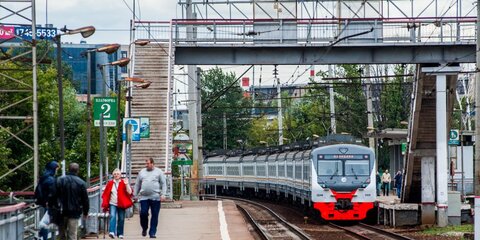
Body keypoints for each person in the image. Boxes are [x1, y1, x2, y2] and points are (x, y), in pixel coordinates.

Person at [54, 163, 89, 240]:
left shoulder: (59, 180)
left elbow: (54, 195)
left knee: (61, 234)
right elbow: (85, 200)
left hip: (61, 211)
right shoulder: (81, 183)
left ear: (68, 169)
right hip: (75, 212)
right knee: (72, 234)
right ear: (78, 171)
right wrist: (85, 212)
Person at [134, 157, 167, 239]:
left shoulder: (158, 172)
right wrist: (135, 195)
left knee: (155, 215)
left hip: (155, 197)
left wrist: (163, 194)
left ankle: (152, 232)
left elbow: (163, 184)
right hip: (144, 197)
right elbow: (137, 184)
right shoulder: (142, 172)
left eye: (148, 163)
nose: (146, 165)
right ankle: (144, 228)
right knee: (143, 213)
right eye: (146, 163)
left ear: (152, 164)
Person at [102, 169, 133, 239]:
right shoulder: (110, 183)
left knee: (121, 218)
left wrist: (127, 184)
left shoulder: (123, 182)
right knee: (112, 216)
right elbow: (106, 193)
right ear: (113, 175)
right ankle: (112, 232)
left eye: (117, 174)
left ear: (120, 175)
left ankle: (120, 233)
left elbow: (130, 192)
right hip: (112, 203)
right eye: (115, 174)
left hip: (121, 203)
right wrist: (105, 202)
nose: (116, 175)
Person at [37, 161, 60, 240]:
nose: (57, 171)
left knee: (44, 223)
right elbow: (53, 193)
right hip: (48, 204)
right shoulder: (50, 179)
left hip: (42, 203)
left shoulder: (44, 177)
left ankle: (41, 236)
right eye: (56, 169)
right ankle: (44, 238)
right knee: (45, 223)